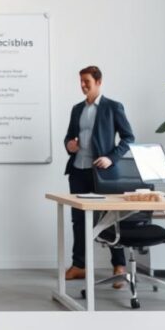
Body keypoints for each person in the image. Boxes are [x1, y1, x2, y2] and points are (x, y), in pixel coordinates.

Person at [63, 65, 135, 287]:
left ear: (99, 81)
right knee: (78, 220)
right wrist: (69, 145)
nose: (83, 85)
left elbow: (128, 138)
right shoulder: (77, 109)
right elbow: (68, 136)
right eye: (81, 81)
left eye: (87, 81)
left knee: (110, 219)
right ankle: (79, 266)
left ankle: (119, 266)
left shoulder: (113, 107)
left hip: (102, 173)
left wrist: (111, 158)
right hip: (78, 170)